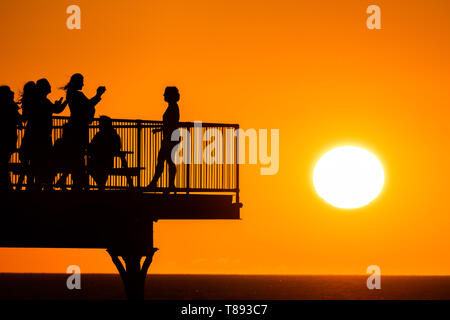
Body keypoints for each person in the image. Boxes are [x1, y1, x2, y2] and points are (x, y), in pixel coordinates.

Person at [63, 73, 106, 190]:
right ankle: (79, 183)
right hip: (79, 128)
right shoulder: (77, 95)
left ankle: (77, 182)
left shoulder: (71, 94)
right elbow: (88, 104)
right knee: (79, 155)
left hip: (75, 127)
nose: (83, 83)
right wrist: (98, 95)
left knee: (77, 156)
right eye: (82, 81)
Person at [147, 86, 180, 191]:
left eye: (165, 94)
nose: (164, 95)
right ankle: (166, 184)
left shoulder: (173, 107)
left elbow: (172, 123)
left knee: (163, 160)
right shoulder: (172, 106)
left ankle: (156, 182)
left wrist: (162, 129)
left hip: (171, 138)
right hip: (170, 137)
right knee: (166, 160)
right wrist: (160, 130)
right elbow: (170, 123)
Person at [87, 116, 121, 190]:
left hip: (102, 162)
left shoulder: (101, 135)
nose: (98, 125)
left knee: (89, 167)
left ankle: (100, 185)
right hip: (105, 162)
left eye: (100, 123)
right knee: (91, 167)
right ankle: (101, 185)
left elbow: (91, 146)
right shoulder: (114, 135)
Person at [0, 86, 21, 190]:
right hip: (8, 137)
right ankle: (6, 185)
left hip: (7, 137)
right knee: (4, 162)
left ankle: (6, 184)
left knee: (3, 161)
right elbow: (19, 119)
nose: (12, 92)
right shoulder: (11, 106)